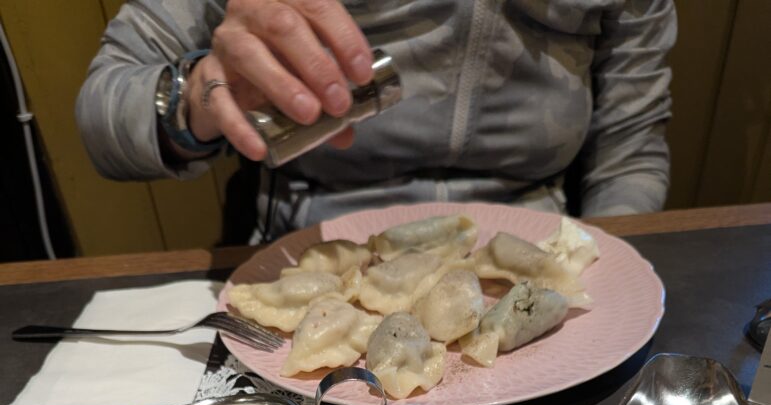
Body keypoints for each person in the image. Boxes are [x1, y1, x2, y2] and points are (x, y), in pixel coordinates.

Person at [76, 1, 677, 241]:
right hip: (310, 250)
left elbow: (630, 146)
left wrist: (601, 276)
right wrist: (199, 100)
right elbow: (103, 115)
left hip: (535, 252)